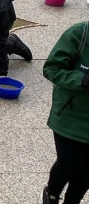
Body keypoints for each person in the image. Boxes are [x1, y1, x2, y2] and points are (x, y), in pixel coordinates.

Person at [42, 22, 89, 204]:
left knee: (87, 172)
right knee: (70, 161)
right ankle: (52, 192)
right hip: (70, 116)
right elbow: (51, 69)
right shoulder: (78, 34)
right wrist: (82, 80)